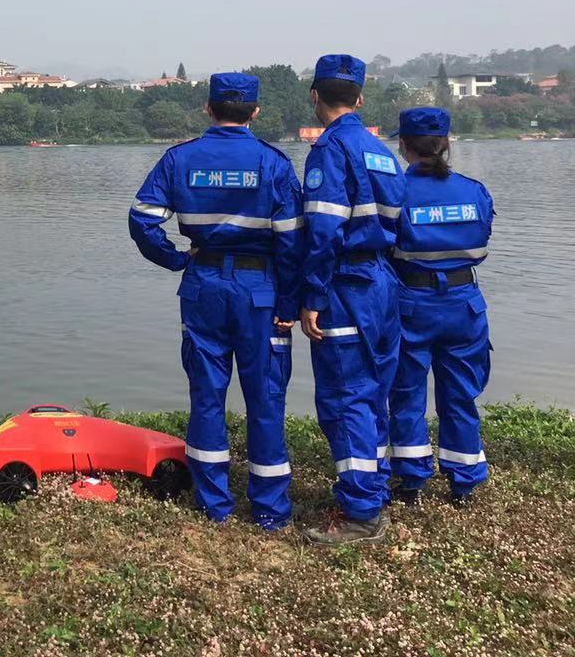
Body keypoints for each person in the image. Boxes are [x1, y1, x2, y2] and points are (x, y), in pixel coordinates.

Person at [128, 72, 304, 530]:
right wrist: (290, 303)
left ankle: (214, 505)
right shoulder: (272, 163)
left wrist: (175, 258)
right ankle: (269, 509)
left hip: (202, 284)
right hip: (260, 289)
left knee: (206, 394)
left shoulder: (179, 159)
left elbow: (142, 220)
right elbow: (291, 242)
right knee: (266, 397)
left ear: (208, 109)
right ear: (255, 112)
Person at [297, 55, 406, 546]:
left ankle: (361, 513)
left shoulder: (330, 150)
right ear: (360, 98)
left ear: (314, 96)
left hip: (346, 284)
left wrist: (312, 296)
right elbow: (400, 223)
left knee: (345, 398)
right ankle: (372, 491)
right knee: (373, 392)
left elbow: (323, 232)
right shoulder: (381, 151)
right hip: (382, 282)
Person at [387, 107, 494, 507]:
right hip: (465, 305)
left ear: (404, 145)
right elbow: (482, 238)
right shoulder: (474, 191)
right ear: (446, 144)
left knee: (406, 393)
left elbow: (382, 246)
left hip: (411, 303)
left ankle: (411, 481)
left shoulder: (395, 192)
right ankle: (463, 482)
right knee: (461, 394)